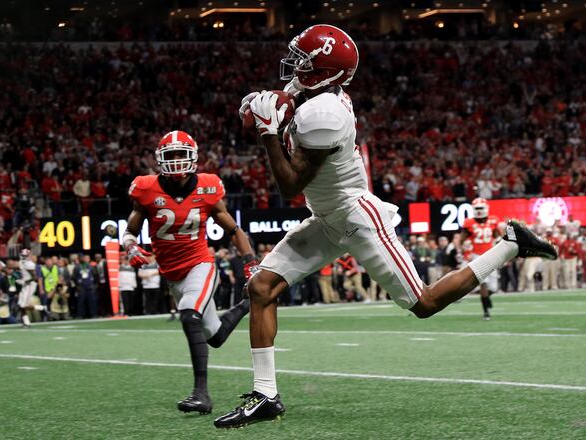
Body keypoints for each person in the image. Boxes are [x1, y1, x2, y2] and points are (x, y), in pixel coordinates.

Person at [214, 24, 557, 429]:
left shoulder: (325, 114)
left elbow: (290, 185)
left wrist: (269, 133)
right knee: (261, 288)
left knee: (424, 304)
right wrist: (257, 110)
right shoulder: (315, 94)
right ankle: (265, 395)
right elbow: (270, 110)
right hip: (327, 217)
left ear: (326, 72)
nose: (294, 66)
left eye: (305, 61)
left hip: (356, 215)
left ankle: (511, 244)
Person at [122, 130, 260, 415]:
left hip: (200, 264)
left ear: (193, 158)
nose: (174, 161)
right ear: (160, 159)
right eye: (169, 156)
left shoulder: (208, 187)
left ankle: (201, 394)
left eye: (179, 155)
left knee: (188, 314)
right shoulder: (146, 189)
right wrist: (131, 248)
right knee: (215, 336)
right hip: (172, 274)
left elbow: (233, 229)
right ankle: (247, 305)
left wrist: (250, 262)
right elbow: (131, 231)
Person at [461, 198, 501, 320]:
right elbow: (462, 239)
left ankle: (486, 298)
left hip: (491, 254)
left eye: (480, 208)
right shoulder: (469, 223)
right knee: (484, 283)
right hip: (477, 256)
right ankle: (486, 312)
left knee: (493, 288)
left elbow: (497, 236)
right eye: (476, 209)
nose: (478, 211)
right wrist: (464, 249)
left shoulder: (493, 221)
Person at [72, 254, 97, 318]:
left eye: (82, 257)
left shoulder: (89, 266)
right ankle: (80, 315)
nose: (82, 259)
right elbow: (73, 277)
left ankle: (93, 314)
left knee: (92, 301)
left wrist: (94, 284)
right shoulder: (77, 267)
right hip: (81, 287)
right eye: (80, 258)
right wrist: (77, 286)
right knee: (81, 302)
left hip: (90, 286)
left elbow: (95, 274)